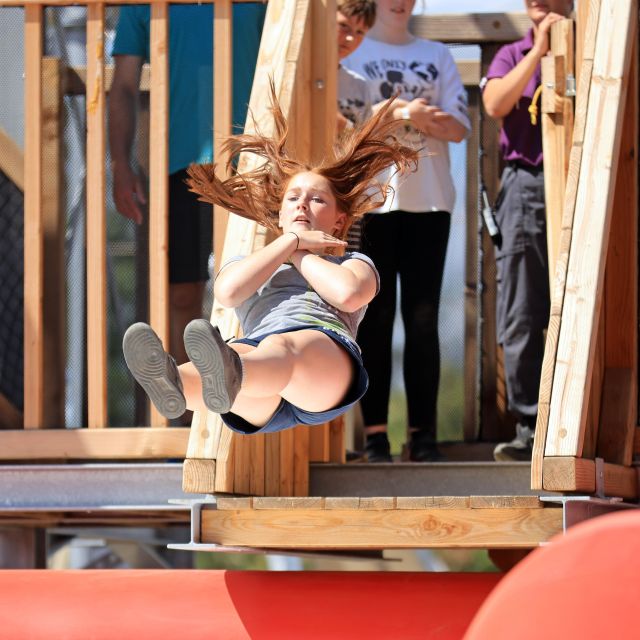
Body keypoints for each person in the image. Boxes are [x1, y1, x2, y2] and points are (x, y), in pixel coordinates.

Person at [122, 95, 419, 435]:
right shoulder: (253, 262)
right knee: (237, 352)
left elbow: (349, 295)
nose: (302, 205)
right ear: (280, 215)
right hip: (259, 381)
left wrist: (298, 252)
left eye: (317, 199)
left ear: (339, 221)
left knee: (276, 348)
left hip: (323, 372)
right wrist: (289, 243)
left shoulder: (352, 262)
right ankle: (173, 383)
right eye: (293, 199)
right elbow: (228, 292)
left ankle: (228, 372)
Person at [108, 3, 266, 415]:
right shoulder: (144, 6)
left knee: (258, 291)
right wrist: (120, 164)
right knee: (182, 293)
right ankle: (191, 414)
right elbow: (123, 85)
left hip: (254, 163)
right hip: (179, 164)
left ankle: (251, 410)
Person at [342, 0, 470, 462]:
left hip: (430, 202)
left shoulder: (437, 55)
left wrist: (406, 115)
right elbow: (347, 122)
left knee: (422, 321)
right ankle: (375, 436)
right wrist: (406, 113)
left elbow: (457, 126)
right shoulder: (350, 51)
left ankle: (424, 436)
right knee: (372, 320)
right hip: (369, 204)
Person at [482, 0, 572, 461]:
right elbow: (495, 102)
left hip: (585, 179)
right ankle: (530, 424)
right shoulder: (513, 53)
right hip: (526, 185)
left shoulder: (590, 46)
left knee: (583, 305)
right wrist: (539, 51)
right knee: (521, 309)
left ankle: (577, 421)